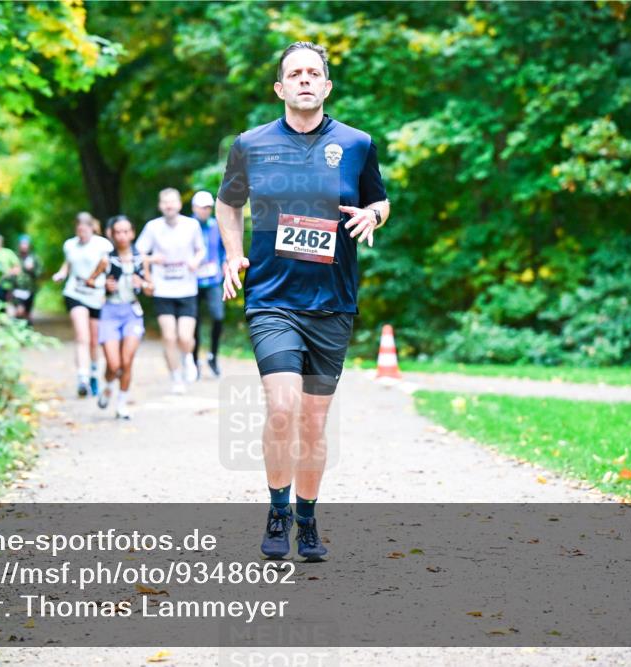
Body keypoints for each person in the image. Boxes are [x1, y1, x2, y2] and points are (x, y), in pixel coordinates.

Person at [216, 42, 390, 561]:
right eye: (295, 74)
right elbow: (228, 203)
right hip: (272, 298)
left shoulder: (357, 144)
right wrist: (232, 255)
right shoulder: (251, 143)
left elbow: (378, 198)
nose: (305, 80)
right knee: (283, 407)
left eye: (315, 73)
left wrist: (372, 216)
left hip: (333, 301)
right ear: (280, 87)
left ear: (327, 86)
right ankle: (277, 510)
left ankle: (308, 520)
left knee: (314, 421)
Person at [134, 188, 206, 395]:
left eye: (172, 202)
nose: (169, 205)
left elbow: (201, 250)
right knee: (168, 336)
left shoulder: (191, 225)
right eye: (165, 202)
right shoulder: (152, 227)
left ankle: (189, 358)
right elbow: (138, 253)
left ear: (179, 204)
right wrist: (150, 261)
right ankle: (176, 377)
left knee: (185, 337)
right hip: (162, 289)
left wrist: (195, 260)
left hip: (186, 287)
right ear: (160, 206)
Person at [86, 215, 151, 419]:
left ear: (132, 233)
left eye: (126, 231)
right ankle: (107, 386)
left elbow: (151, 288)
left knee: (127, 361)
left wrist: (143, 284)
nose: (122, 236)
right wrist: (103, 285)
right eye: (118, 232)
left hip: (132, 313)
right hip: (110, 313)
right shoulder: (107, 259)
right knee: (113, 365)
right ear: (111, 234)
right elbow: (90, 281)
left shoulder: (141, 259)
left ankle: (122, 404)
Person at [52, 212, 114, 398]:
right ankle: (82, 378)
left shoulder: (103, 245)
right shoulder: (70, 245)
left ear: (91, 228)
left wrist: (108, 290)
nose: (82, 234)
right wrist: (61, 274)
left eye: (85, 230)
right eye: (78, 230)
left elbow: (109, 267)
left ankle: (94, 372)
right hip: (75, 292)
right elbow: (68, 264)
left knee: (94, 340)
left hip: (96, 295)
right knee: (82, 336)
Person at [190, 190, 226, 378]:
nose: (205, 211)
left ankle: (213, 356)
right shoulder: (186, 226)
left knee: (218, 317)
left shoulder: (216, 226)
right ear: (194, 208)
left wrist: (226, 264)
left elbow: (225, 249)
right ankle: (194, 361)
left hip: (213, 280)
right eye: (202, 207)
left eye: (208, 208)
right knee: (193, 323)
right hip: (191, 282)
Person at [11, 234, 41, 326]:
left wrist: (31, 269)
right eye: (22, 244)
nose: (24, 246)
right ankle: (17, 330)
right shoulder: (14, 257)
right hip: (16, 289)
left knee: (27, 313)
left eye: (26, 244)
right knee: (19, 310)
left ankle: (27, 331)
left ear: (29, 245)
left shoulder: (34, 258)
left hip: (29, 289)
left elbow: (39, 273)